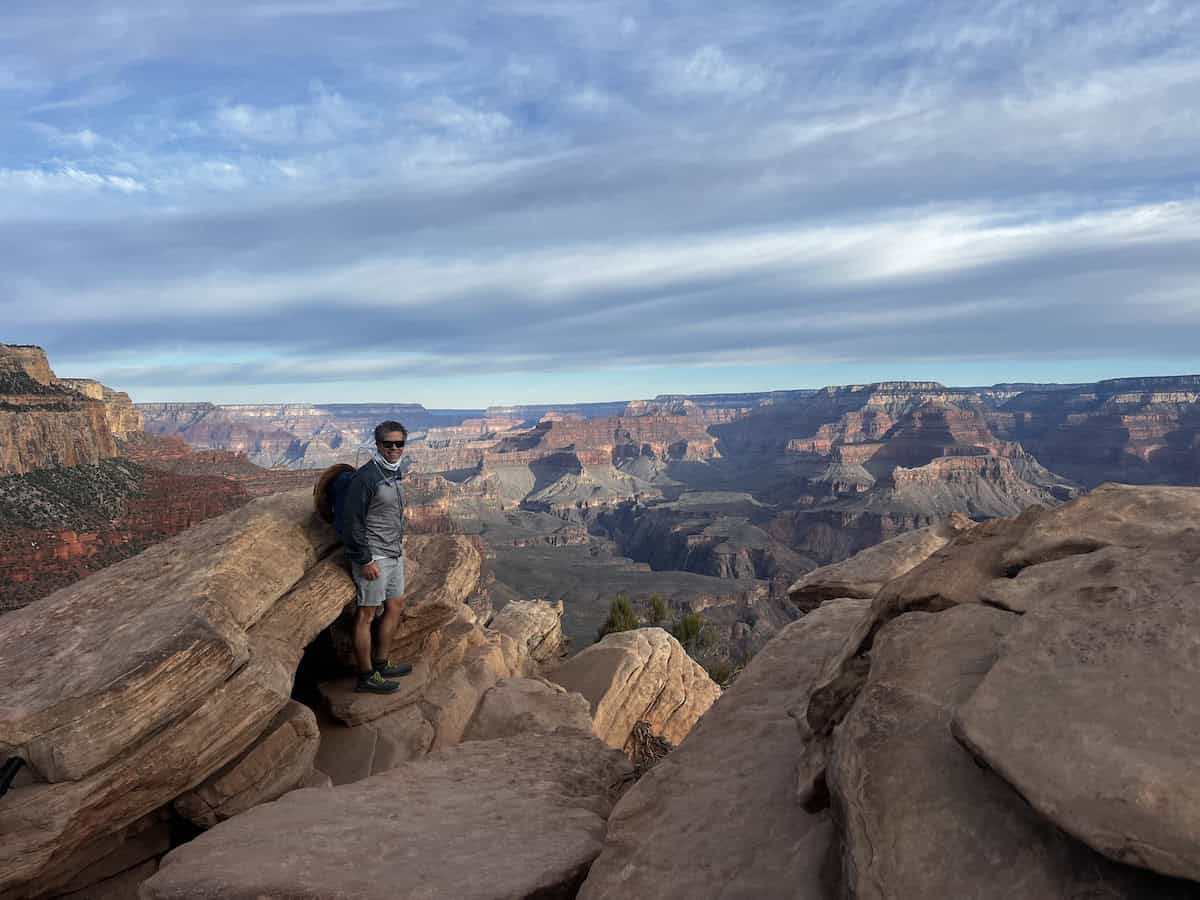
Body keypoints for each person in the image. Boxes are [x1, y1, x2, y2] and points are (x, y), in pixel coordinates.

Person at [337, 420, 414, 693]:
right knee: (367, 614)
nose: (394, 448)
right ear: (378, 445)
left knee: (394, 606)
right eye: (388, 444)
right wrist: (365, 559)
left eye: (399, 443)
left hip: (393, 552)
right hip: (375, 556)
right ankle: (366, 676)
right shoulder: (367, 477)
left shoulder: (394, 472)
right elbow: (352, 521)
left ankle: (381, 663)